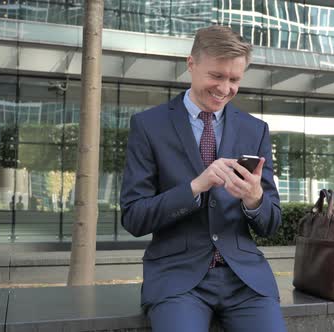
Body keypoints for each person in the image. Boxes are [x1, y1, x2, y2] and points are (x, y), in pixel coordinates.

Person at [119, 25, 286, 331]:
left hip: (245, 281)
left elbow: (272, 222)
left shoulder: (255, 129)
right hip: (177, 280)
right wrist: (196, 186)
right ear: (191, 64)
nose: (225, 89)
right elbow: (134, 217)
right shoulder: (148, 126)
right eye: (216, 76)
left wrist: (254, 199)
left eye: (234, 79)